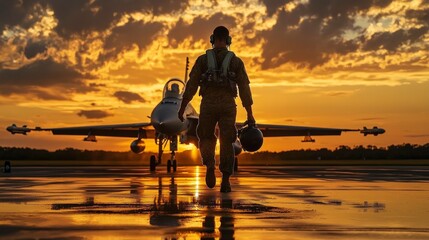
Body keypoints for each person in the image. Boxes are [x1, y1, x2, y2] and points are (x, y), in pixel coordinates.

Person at [178, 26, 255, 193]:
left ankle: (210, 166)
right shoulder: (236, 61)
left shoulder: (202, 61)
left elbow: (190, 86)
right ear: (228, 41)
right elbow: (244, 89)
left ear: (212, 40)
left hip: (208, 105)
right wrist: (250, 114)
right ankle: (226, 179)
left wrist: (182, 108)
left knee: (205, 136)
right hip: (228, 105)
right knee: (227, 140)